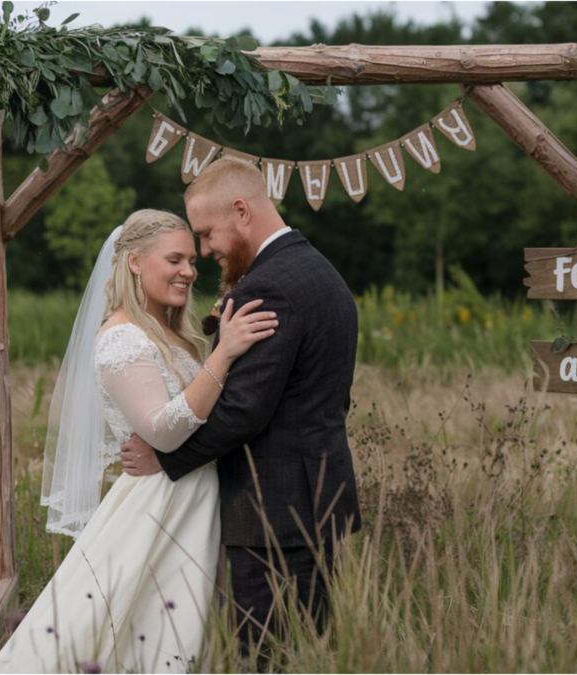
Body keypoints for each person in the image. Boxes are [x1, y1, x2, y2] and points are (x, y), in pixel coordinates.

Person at [0, 209, 278, 674]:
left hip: (197, 498)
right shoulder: (122, 337)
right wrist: (224, 353)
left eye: (191, 261)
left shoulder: (174, 334)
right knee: (145, 634)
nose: (188, 270)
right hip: (161, 505)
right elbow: (163, 429)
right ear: (136, 263)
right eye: (175, 259)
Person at [120, 157, 363, 654]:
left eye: (208, 234)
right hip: (317, 496)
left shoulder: (267, 288)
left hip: (273, 510)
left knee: (264, 654)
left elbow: (243, 411)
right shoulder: (319, 271)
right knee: (307, 650)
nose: (204, 251)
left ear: (240, 212)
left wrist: (164, 458)